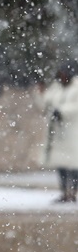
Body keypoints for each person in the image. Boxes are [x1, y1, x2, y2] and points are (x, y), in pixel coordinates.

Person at [39, 61, 78, 203]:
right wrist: (41, 93)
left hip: (73, 132)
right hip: (57, 133)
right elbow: (45, 104)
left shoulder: (76, 88)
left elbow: (75, 107)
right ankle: (64, 192)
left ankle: (72, 193)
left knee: (74, 165)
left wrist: (61, 112)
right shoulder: (56, 88)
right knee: (61, 164)